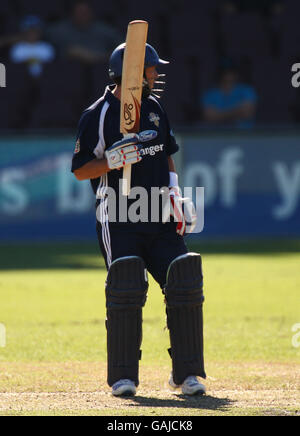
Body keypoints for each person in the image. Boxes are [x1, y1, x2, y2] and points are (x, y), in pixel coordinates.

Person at [71, 41, 206, 397]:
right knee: (127, 282)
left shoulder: (156, 107)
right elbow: (81, 170)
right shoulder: (97, 115)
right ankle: (123, 377)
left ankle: (187, 374)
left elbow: (167, 154)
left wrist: (175, 192)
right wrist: (112, 161)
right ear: (131, 73)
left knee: (183, 277)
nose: (157, 74)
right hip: (118, 215)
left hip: (159, 214)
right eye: (151, 68)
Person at [46, 1, 121, 64]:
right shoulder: (59, 31)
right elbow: (48, 49)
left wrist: (96, 57)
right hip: (68, 71)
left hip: (101, 69)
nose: (82, 15)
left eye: (85, 12)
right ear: (72, 13)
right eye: (79, 12)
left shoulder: (104, 30)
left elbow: (121, 47)